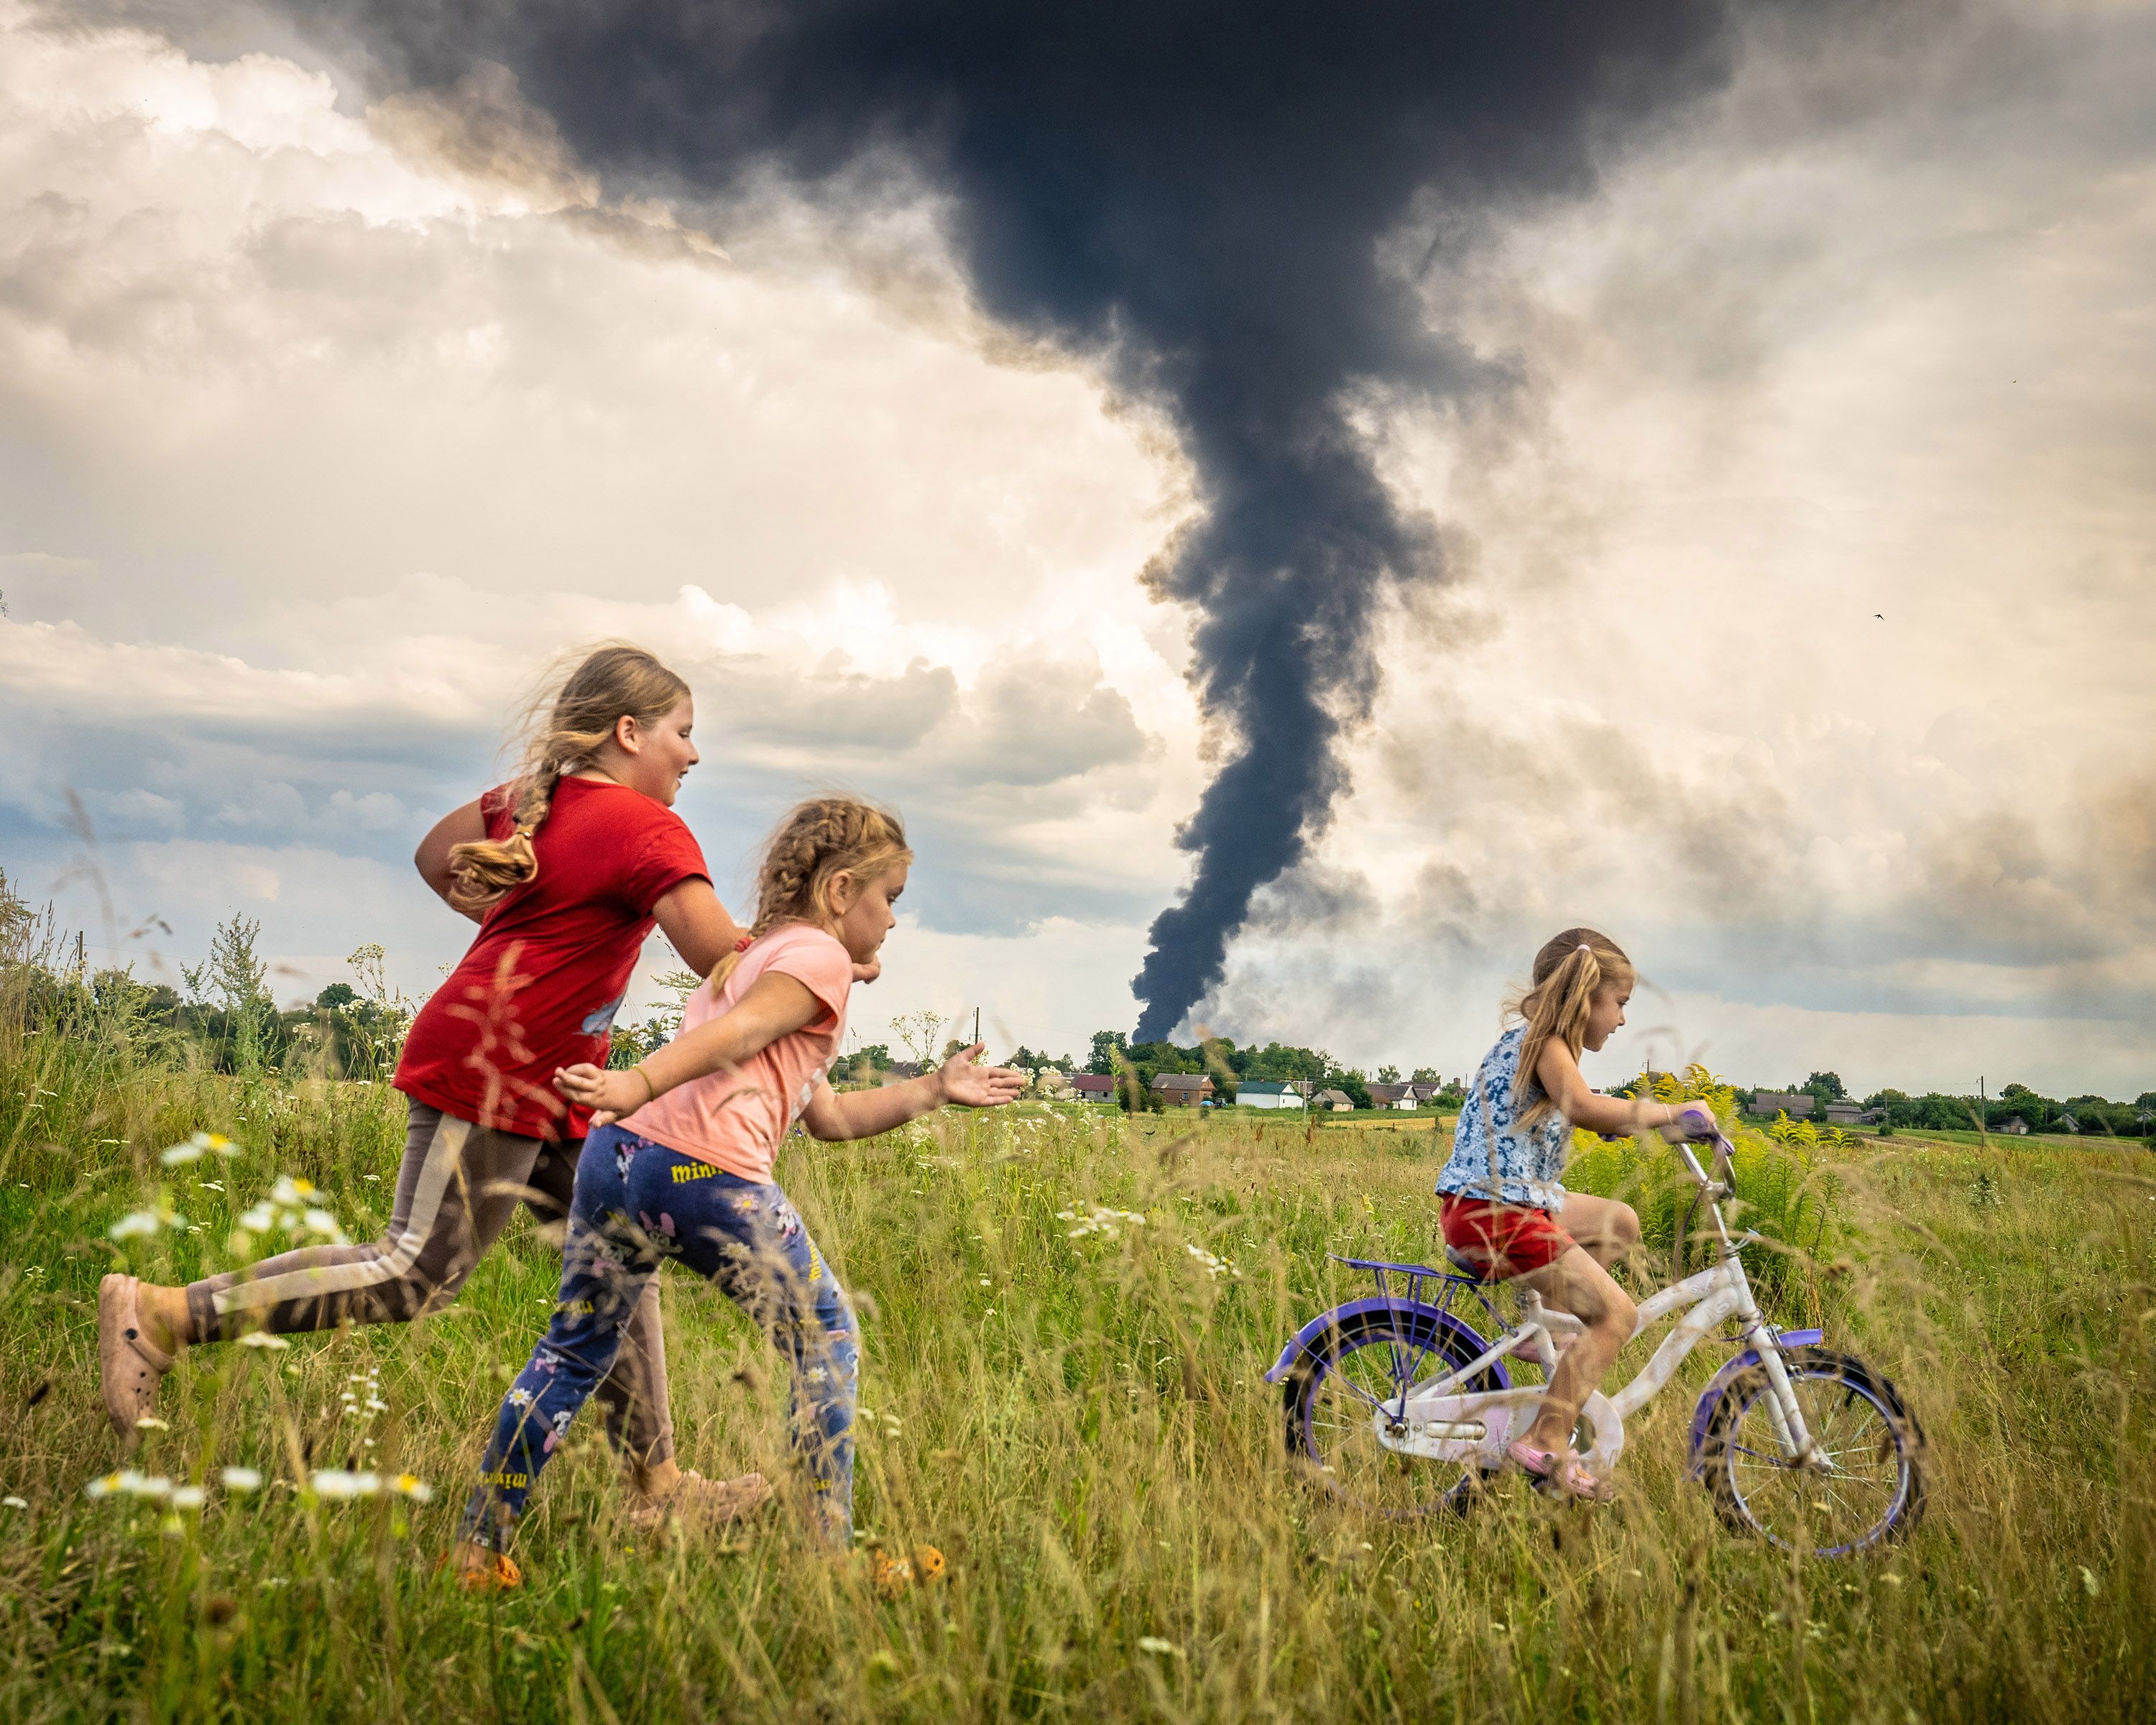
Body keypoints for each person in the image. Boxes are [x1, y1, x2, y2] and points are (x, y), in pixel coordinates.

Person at [99, 643, 775, 1522]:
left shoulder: (540, 800)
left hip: (559, 1085)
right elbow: (717, 957)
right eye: (684, 733)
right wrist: (819, 950)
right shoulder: (648, 827)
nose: (692, 754)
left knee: (619, 1261)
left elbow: (433, 854)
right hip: (493, 1068)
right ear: (628, 732)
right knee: (412, 1271)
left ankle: (658, 1488)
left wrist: (510, 925)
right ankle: (160, 1316)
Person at [446, 796, 1023, 1591]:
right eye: (889, 899)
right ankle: (829, 1562)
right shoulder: (812, 962)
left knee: (575, 1350)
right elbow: (741, 1035)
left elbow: (831, 1118)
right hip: (700, 1170)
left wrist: (935, 1086)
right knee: (826, 1338)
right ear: (841, 889)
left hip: (620, 1157)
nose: (892, 922)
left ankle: (478, 1549)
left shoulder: (759, 959)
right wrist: (637, 1077)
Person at [1433, 927, 1715, 1501]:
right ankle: (1548, 1441)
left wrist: (1629, 1124)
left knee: (1622, 1221)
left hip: (1498, 1204)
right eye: (1620, 1004)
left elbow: (1565, 1111)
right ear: (1585, 996)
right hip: (1499, 1214)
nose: (1622, 1020)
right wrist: (1673, 1112)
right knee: (1617, 1317)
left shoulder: (1533, 1044)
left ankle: (1546, 1336)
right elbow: (1583, 1106)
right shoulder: (1546, 1044)